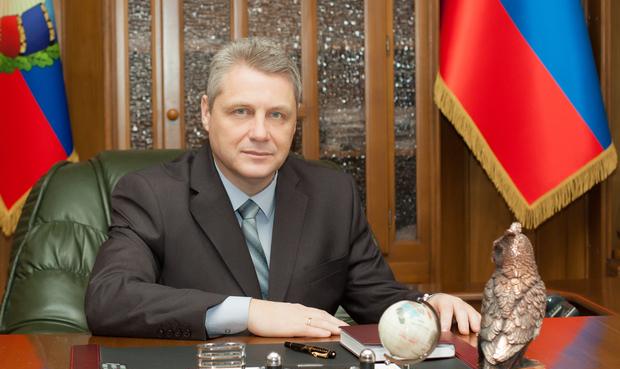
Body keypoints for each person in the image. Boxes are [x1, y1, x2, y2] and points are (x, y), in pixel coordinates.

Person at [85, 37, 480, 340]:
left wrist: (429, 304)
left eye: (277, 115)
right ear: (206, 113)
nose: (260, 133)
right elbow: (109, 298)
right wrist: (248, 312)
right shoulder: (152, 195)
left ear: (295, 123)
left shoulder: (333, 195)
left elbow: (377, 297)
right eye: (241, 112)